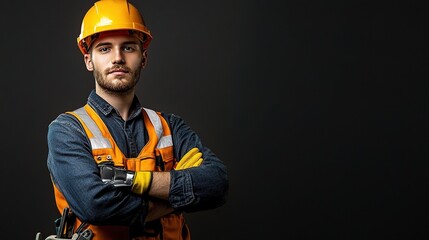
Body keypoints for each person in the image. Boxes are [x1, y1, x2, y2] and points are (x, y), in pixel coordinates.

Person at [45, 0, 229, 239]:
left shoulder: (170, 127)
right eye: (104, 49)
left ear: (143, 57)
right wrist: (177, 198)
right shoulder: (67, 130)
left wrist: (135, 181)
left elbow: (216, 184)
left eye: (129, 48)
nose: (118, 58)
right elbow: (96, 206)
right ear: (88, 60)